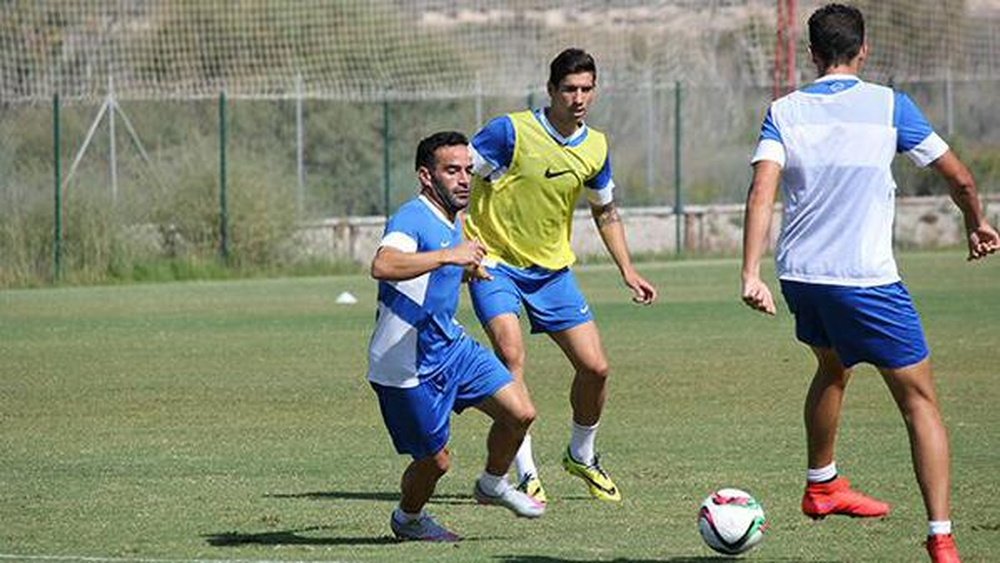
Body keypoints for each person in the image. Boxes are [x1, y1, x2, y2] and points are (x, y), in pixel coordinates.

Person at [740, 4, 999, 563]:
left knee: (832, 366)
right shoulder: (890, 105)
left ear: (812, 55)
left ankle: (822, 484)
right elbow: (959, 176)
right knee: (920, 401)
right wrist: (975, 221)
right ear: (864, 51)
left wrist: (750, 273)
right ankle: (942, 536)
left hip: (800, 277)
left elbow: (762, 191)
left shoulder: (782, 111)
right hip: (864, 280)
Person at [465, 48, 658, 504]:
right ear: (550, 90)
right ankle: (526, 471)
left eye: (586, 89)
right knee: (512, 359)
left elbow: (604, 209)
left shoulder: (596, 146)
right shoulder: (510, 132)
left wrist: (628, 269)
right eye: (569, 89)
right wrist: (458, 248)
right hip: (495, 266)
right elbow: (456, 177)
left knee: (596, 368)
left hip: (552, 272)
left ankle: (581, 455)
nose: (578, 98)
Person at [367, 131, 545, 542]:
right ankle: (408, 519)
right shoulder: (412, 216)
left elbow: (442, 262)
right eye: (452, 171)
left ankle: (492, 484)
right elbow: (384, 263)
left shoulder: (453, 216)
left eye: (467, 170)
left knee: (520, 413)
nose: (464, 179)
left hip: (451, 348)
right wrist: (451, 256)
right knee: (436, 463)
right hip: (405, 367)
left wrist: (465, 267)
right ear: (426, 177)